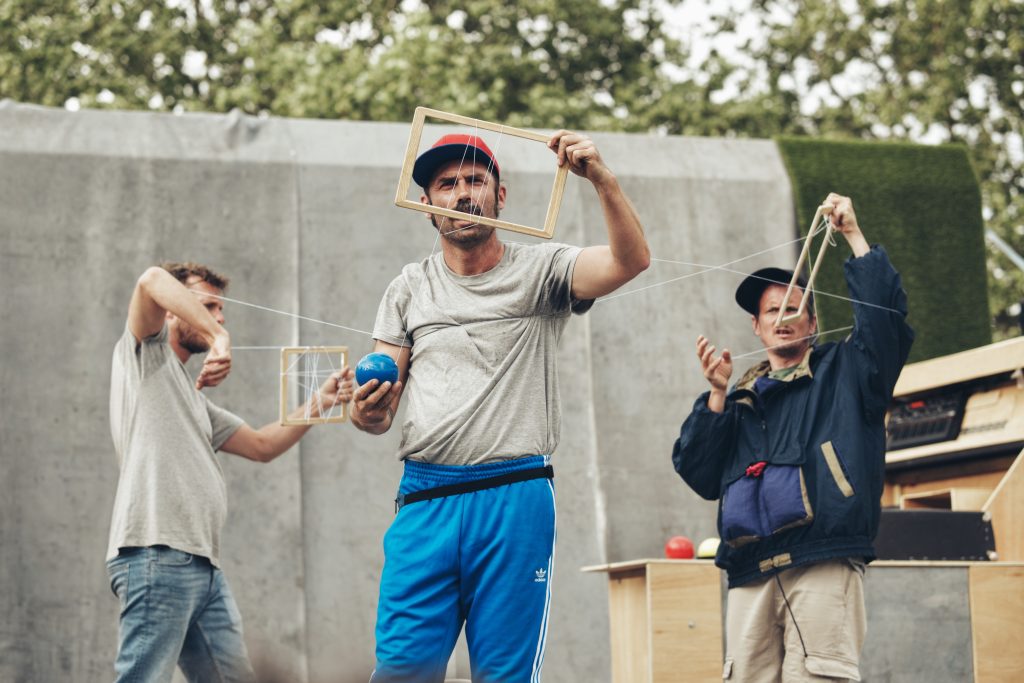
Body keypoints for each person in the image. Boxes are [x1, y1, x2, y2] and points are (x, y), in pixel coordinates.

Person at [351, 131, 650, 681]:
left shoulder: (543, 268)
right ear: (427, 205)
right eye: (447, 184)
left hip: (514, 496)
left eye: (475, 180)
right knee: (400, 670)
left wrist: (602, 180)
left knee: (505, 675)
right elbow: (377, 409)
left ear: (500, 197)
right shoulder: (408, 287)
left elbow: (630, 261)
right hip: (424, 500)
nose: (463, 193)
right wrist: (366, 411)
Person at [672, 193, 914, 682]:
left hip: (822, 558)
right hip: (749, 570)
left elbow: (886, 322)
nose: (783, 317)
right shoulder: (738, 397)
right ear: (756, 328)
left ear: (814, 321)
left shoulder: (847, 370)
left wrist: (852, 234)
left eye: (794, 307)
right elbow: (699, 474)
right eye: (771, 311)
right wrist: (716, 395)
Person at [106, 262, 353, 683]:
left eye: (222, 312)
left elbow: (261, 446)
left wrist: (321, 402)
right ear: (171, 310)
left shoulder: (190, 396)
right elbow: (150, 280)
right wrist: (220, 338)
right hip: (157, 555)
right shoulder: (146, 356)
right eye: (209, 307)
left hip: (202, 567)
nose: (219, 318)